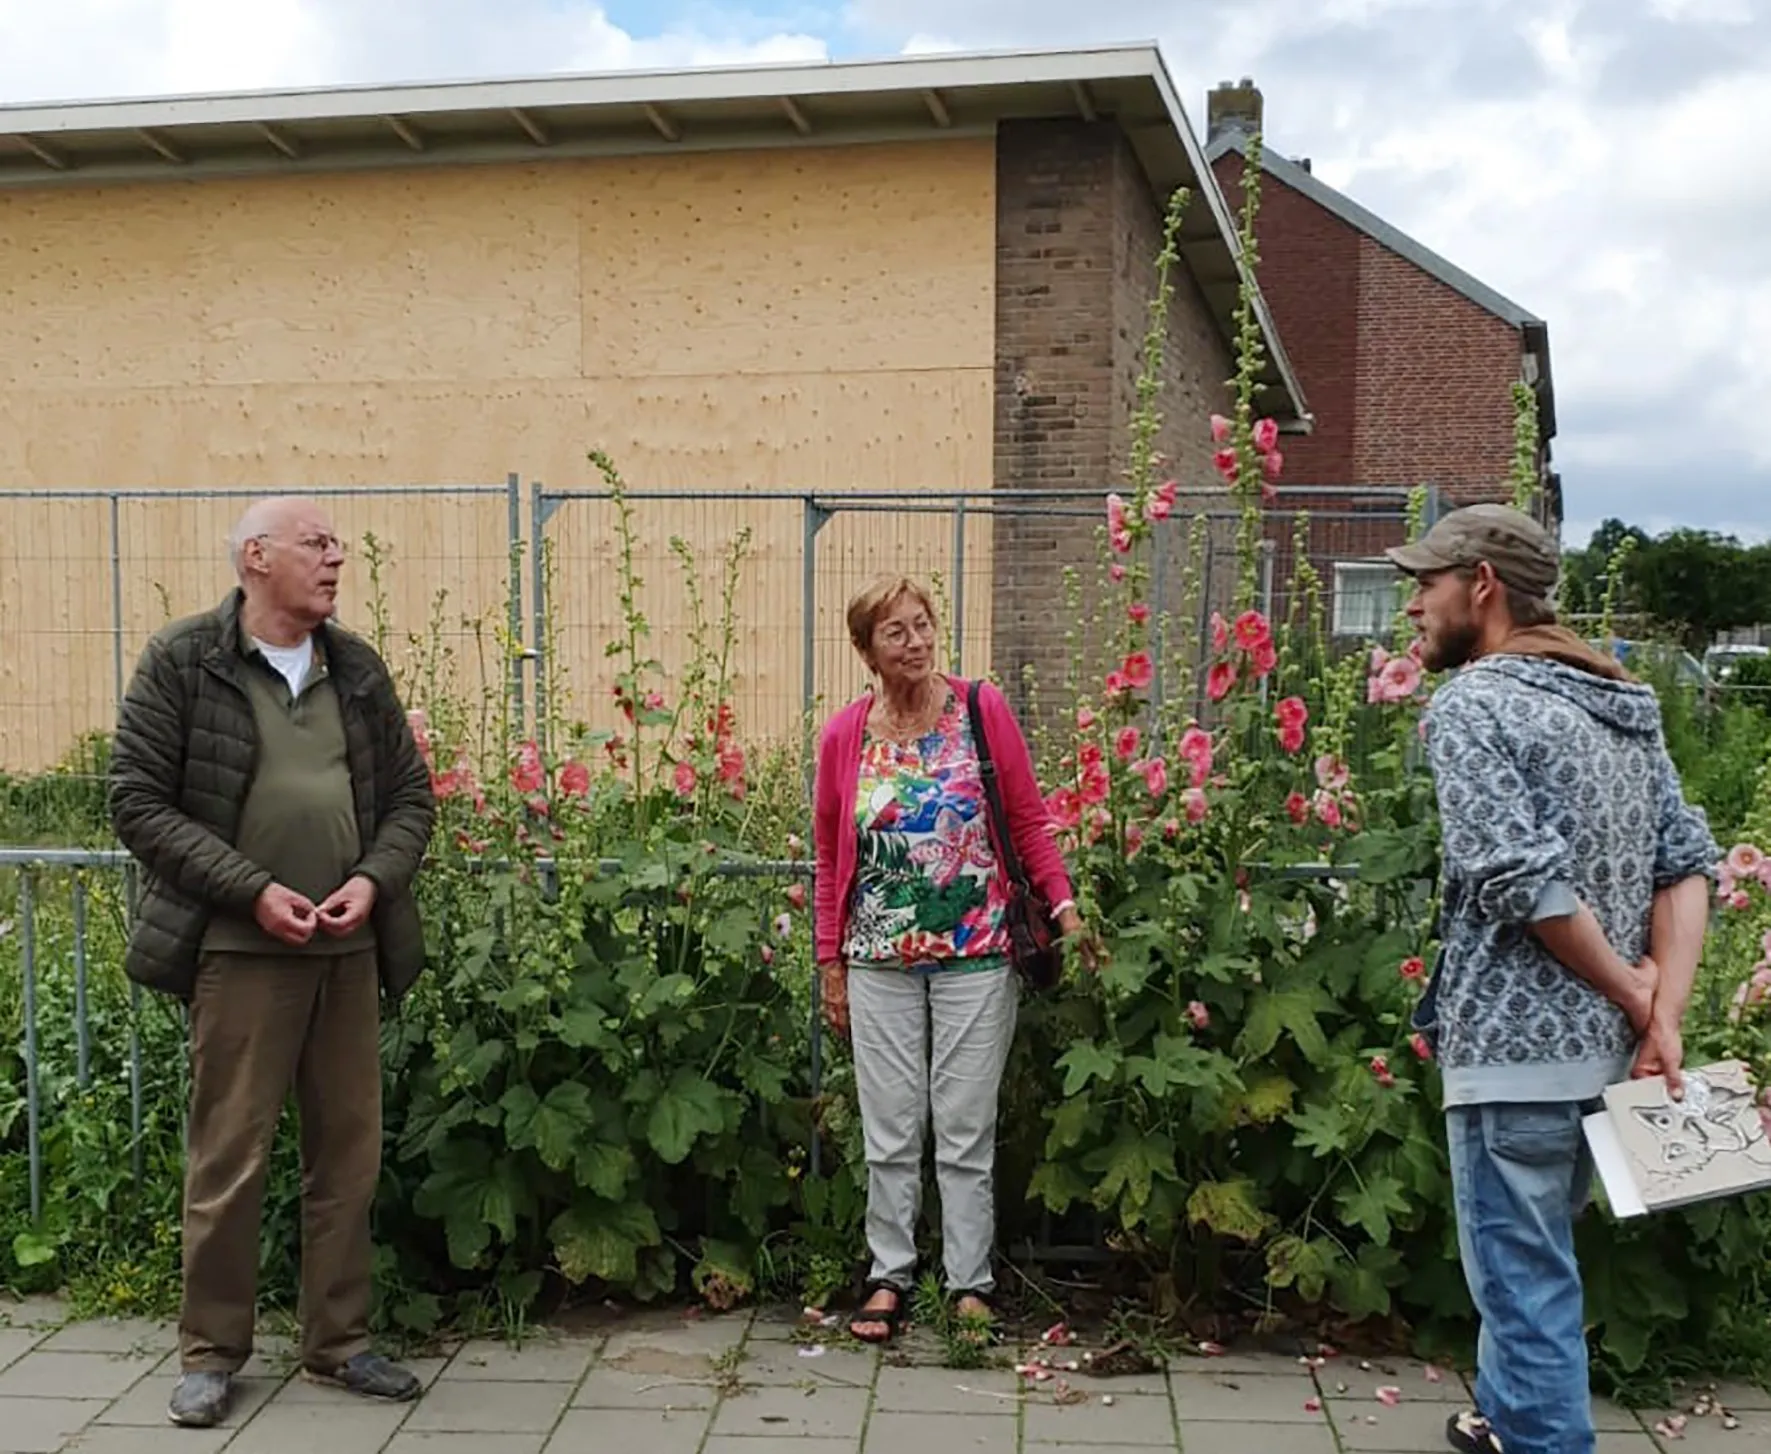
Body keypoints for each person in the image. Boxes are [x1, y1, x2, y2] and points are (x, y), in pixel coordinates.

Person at [1388, 505, 1716, 1454]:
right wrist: (1662, 1012)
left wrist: (1630, 991)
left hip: (1513, 1059)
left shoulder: (1472, 704)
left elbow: (1515, 877)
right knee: (1535, 1260)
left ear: (1481, 585)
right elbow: (1683, 863)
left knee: (1521, 1277)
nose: (1414, 606)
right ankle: (1501, 1419)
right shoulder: (1620, 701)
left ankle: (1539, 1439)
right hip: (1603, 1064)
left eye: (1426, 583)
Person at [109, 496, 436, 1429]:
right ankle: (211, 1353)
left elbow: (410, 796)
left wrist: (373, 880)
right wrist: (251, 887)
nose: (338, 559)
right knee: (229, 1157)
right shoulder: (185, 660)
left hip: (348, 947)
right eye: (317, 544)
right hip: (239, 951)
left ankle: (339, 1343)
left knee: (349, 1154)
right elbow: (136, 800)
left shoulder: (355, 668)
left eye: (338, 545)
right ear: (256, 557)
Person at [813, 575, 1092, 1344]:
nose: (916, 642)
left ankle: (968, 1284)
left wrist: (1062, 904)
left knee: (964, 1126)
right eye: (895, 631)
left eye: (924, 624)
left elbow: (1030, 821)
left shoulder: (979, 710)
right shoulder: (845, 735)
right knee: (891, 1128)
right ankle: (888, 1276)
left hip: (977, 953)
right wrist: (830, 960)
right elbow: (828, 856)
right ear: (866, 649)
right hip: (877, 959)